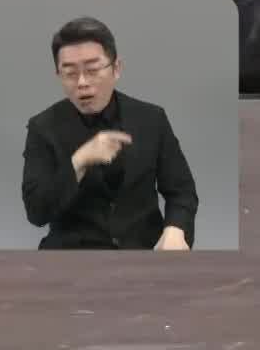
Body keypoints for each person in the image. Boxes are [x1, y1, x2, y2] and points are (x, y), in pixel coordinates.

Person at [20, 16, 198, 250]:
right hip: (72, 256)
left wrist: (176, 229)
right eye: (70, 73)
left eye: (92, 70)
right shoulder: (42, 127)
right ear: (58, 76)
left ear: (116, 69)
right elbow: (36, 212)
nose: (82, 82)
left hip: (143, 252)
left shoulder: (151, 118)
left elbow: (182, 192)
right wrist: (79, 161)